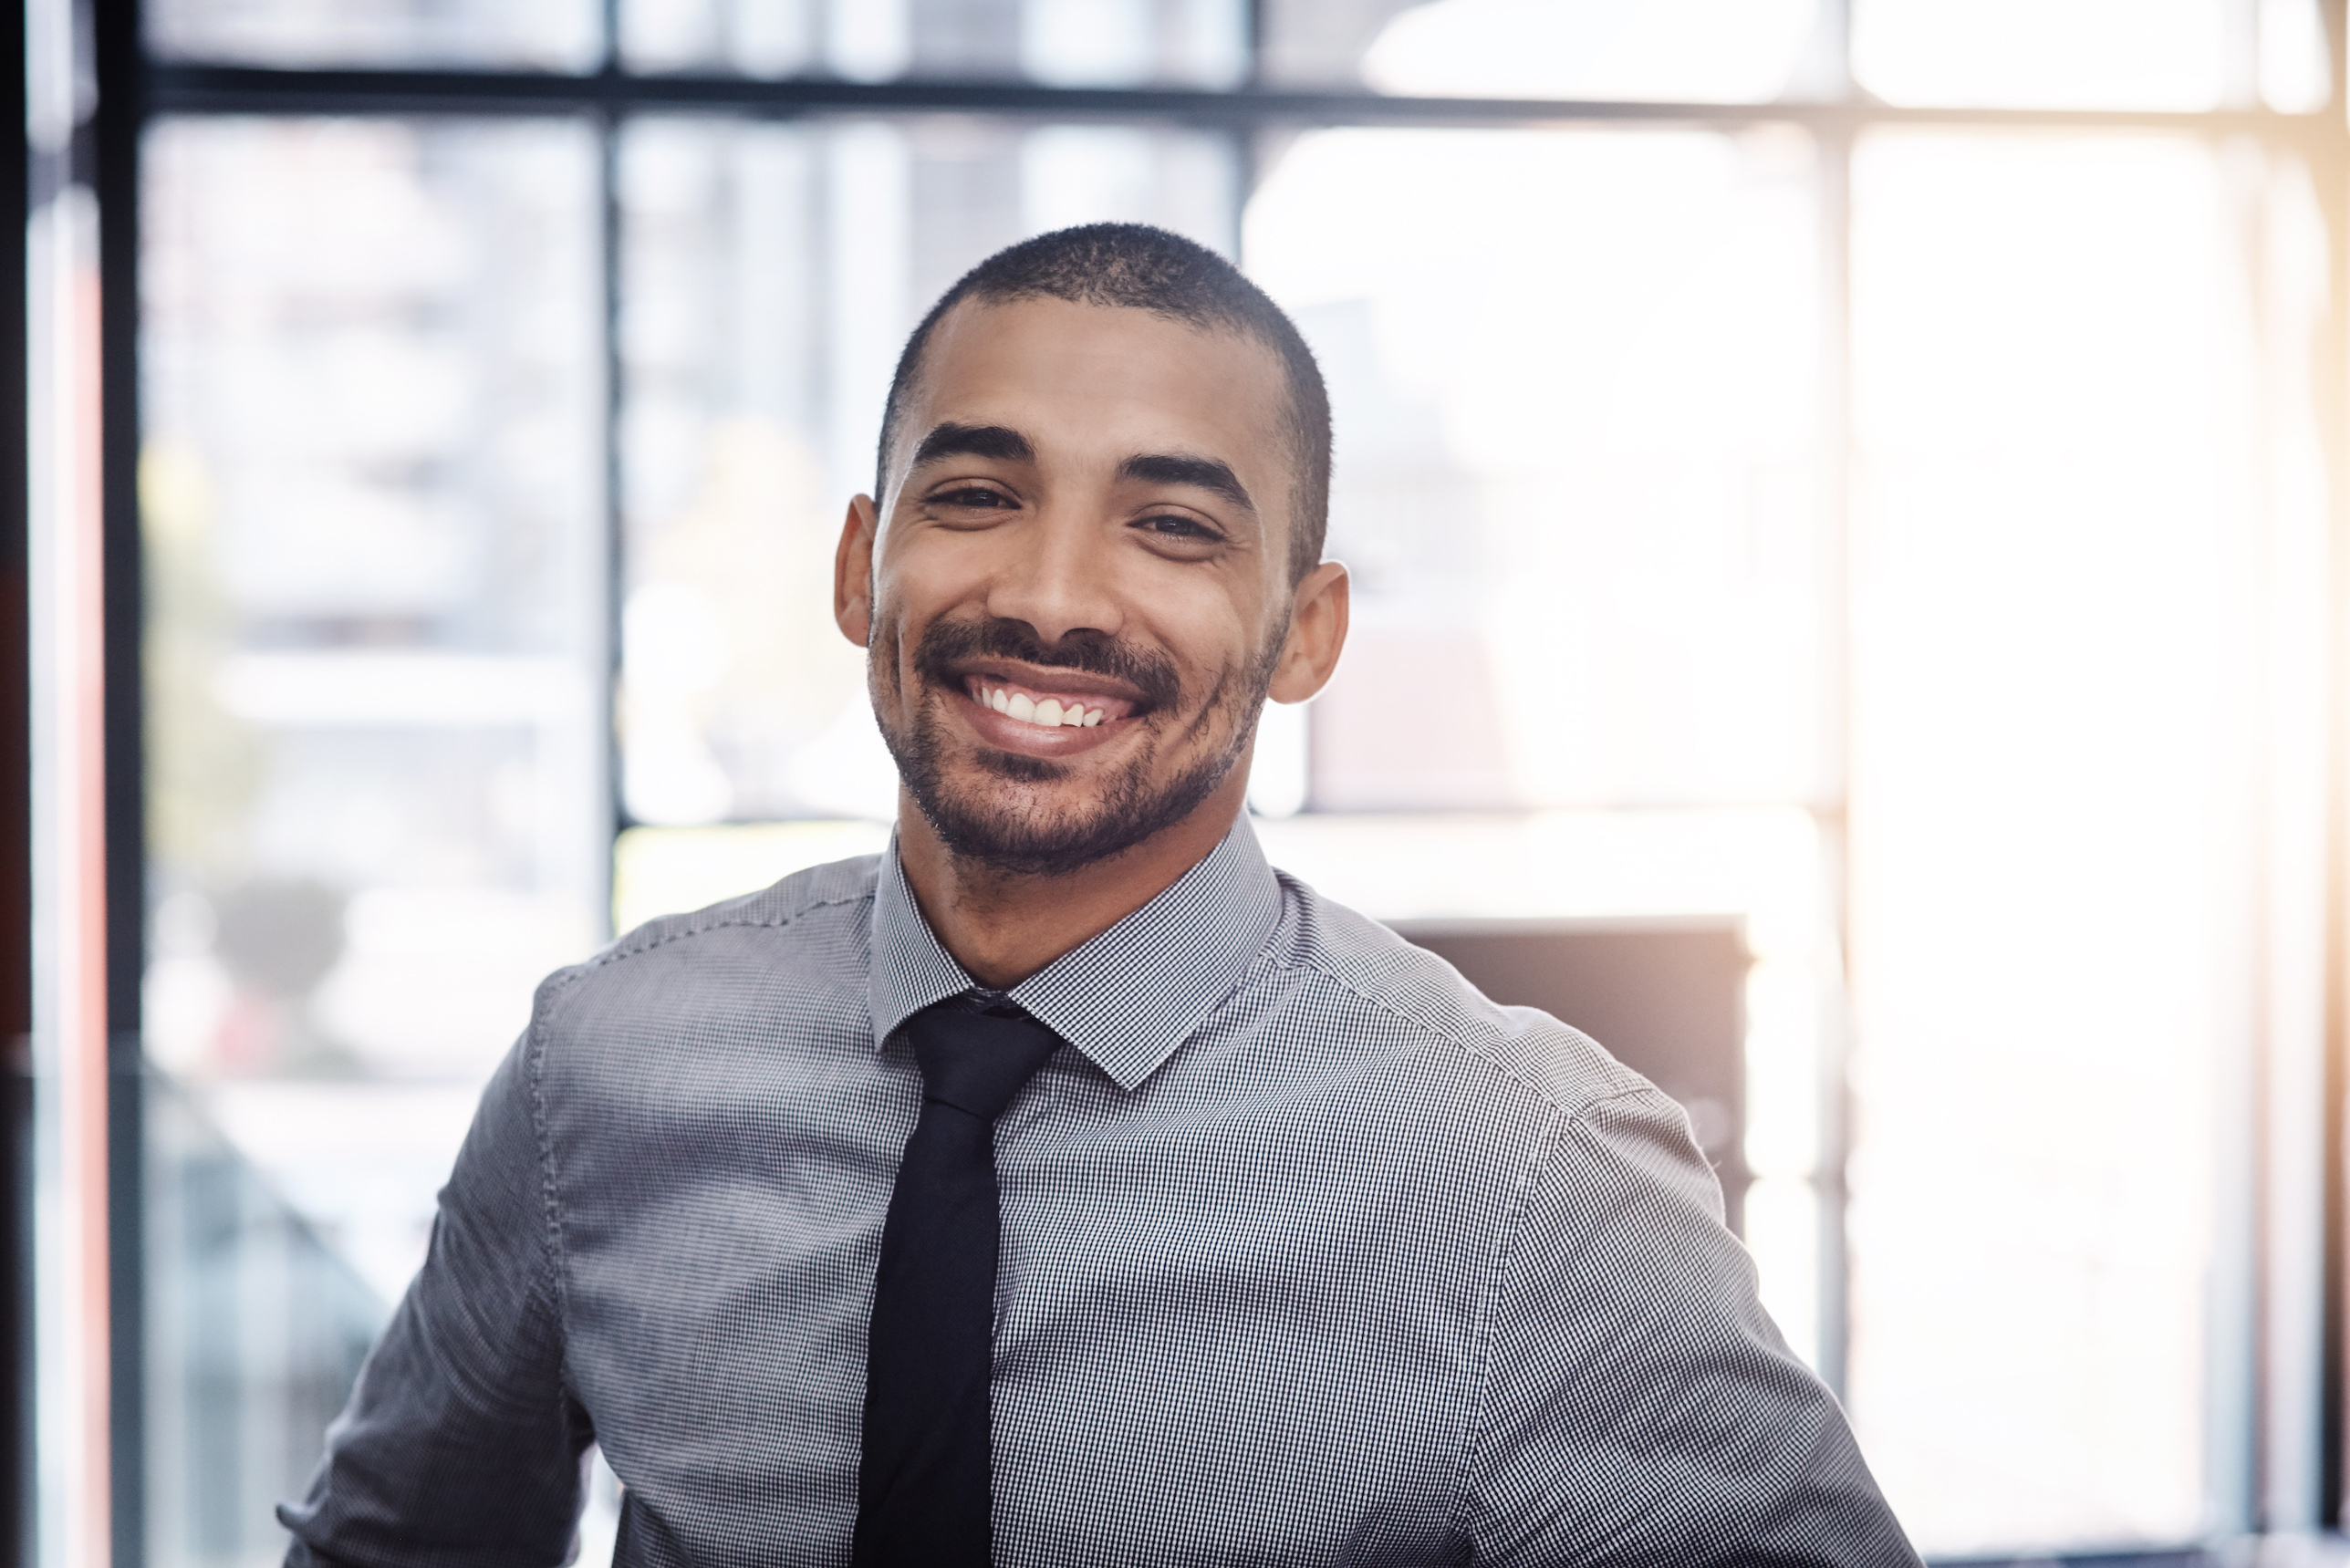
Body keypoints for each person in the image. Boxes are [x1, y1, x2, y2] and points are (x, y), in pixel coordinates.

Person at [281, 223, 1919, 1567]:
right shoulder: (607, 1065)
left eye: (1174, 526)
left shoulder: (1530, 1178)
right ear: (863, 567)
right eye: (978, 496)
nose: (1050, 595)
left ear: (1306, 631)